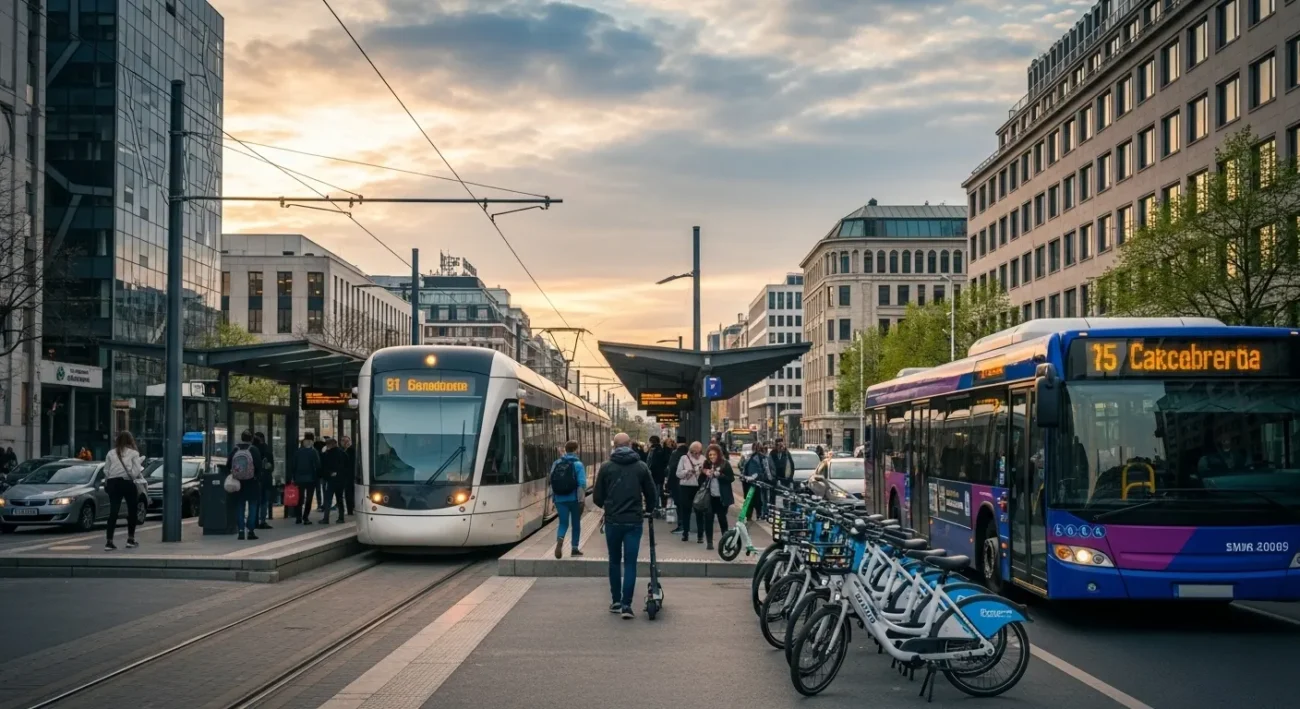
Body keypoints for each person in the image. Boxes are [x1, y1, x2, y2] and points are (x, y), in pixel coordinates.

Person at [592, 432, 657, 619]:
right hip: (634, 522)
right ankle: (627, 606)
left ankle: (616, 601)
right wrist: (649, 509)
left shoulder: (606, 467)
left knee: (614, 561)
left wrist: (609, 506)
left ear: (614, 446)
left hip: (613, 521)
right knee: (630, 563)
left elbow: (597, 498)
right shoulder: (641, 467)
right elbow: (652, 494)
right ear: (630, 445)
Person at [103, 430, 144, 550]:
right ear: (130, 440)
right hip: (126, 482)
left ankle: (109, 542)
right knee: (132, 510)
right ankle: (130, 540)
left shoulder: (110, 453)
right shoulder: (134, 453)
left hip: (112, 483)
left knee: (113, 512)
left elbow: (106, 470)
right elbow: (136, 471)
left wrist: (108, 480)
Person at [550, 441, 587, 559]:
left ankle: (560, 540)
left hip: (560, 499)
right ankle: (574, 548)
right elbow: (582, 484)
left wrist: (554, 498)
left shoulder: (556, 463)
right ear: (576, 450)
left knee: (563, 523)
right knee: (575, 523)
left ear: (565, 450)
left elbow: (552, 481)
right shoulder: (578, 464)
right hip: (574, 499)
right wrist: (581, 500)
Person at [227, 430, 264, 540]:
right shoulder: (254, 450)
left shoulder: (235, 449)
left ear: (241, 438)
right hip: (252, 482)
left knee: (239, 506)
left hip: (238, 483)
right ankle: (251, 531)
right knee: (253, 506)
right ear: (251, 439)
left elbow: (228, 464)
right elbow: (259, 466)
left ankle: (241, 531)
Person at [700, 443, 735, 550]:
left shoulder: (725, 464)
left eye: (714, 454)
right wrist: (705, 473)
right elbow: (700, 481)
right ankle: (709, 542)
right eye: (710, 455)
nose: (712, 457)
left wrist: (720, 475)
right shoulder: (706, 464)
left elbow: (731, 478)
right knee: (708, 518)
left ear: (718, 454)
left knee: (722, 518)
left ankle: (725, 540)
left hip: (721, 497)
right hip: (709, 496)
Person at [675, 441, 706, 543]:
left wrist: (703, 471)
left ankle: (700, 535)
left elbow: (707, 473)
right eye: (694, 452)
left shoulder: (703, 459)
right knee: (686, 511)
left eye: (698, 452)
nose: (696, 455)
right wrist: (687, 471)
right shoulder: (684, 458)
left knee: (699, 512)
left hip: (698, 488)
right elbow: (678, 474)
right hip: (685, 487)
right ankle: (685, 533)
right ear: (690, 451)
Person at [294, 433, 322, 524]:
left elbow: (293, 465)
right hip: (311, 479)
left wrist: (293, 477)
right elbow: (318, 465)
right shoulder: (313, 451)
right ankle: (305, 517)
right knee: (309, 499)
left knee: (299, 498)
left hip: (299, 479)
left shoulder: (298, 451)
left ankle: (298, 517)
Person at [320, 438, 349, 524]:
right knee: (340, 499)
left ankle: (326, 518)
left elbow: (324, 467)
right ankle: (341, 517)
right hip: (341, 480)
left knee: (328, 499)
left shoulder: (327, 454)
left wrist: (327, 475)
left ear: (330, 445)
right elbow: (347, 467)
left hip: (331, 480)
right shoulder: (343, 454)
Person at [742, 442, 770, 520]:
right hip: (755, 482)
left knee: (753, 500)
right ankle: (757, 514)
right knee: (755, 500)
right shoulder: (755, 457)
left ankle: (755, 515)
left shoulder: (757, 458)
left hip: (756, 482)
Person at [666, 436, 688, 533]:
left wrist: (668, 485)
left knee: (679, 505)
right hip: (689, 483)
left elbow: (671, 469)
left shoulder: (675, 453)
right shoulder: (690, 453)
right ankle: (686, 525)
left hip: (677, 482)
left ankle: (681, 526)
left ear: (677, 443)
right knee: (687, 505)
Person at [253, 432, 274, 530]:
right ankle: (262, 521)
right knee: (264, 501)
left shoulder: (252, 449)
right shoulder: (267, 449)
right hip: (266, 478)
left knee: (256, 501)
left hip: (256, 479)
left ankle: (254, 520)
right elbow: (271, 465)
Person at [646, 435, 671, 511]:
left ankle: (655, 507)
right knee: (658, 489)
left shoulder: (653, 450)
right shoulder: (660, 449)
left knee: (655, 490)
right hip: (660, 474)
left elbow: (651, 463)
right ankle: (657, 506)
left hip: (654, 474)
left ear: (652, 442)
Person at [340, 435, 357, 517]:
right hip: (350, 475)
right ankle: (351, 508)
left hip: (349, 475)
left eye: (343, 441)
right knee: (350, 493)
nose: (342, 443)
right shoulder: (348, 450)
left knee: (348, 493)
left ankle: (350, 509)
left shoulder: (350, 451)